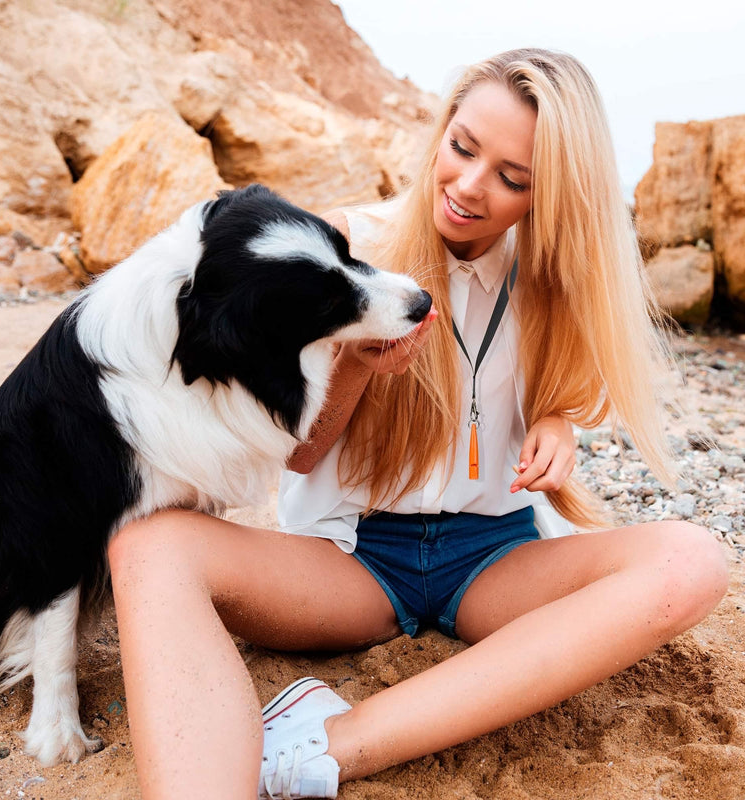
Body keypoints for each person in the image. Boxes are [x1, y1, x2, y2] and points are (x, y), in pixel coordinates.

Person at [107, 48, 728, 799]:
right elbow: (299, 457)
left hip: (495, 558)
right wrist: (359, 366)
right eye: (462, 147)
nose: (469, 186)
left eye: (513, 178)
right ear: (442, 130)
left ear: (550, 193)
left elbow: (561, 384)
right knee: (149, 544)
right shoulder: (341, 253)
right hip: (351, 559)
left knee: (692, 561)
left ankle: (334, 741)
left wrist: (558, 423)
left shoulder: (555, 277)